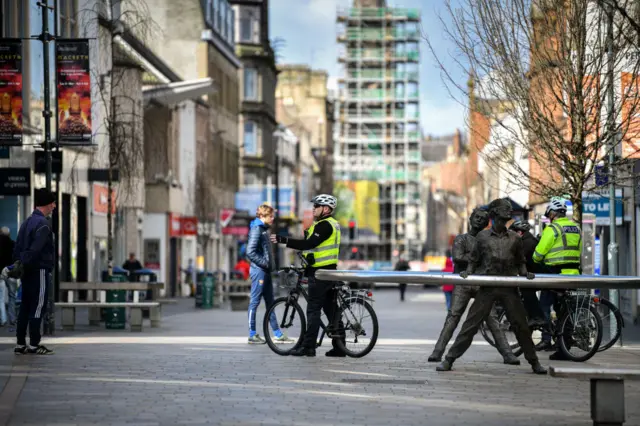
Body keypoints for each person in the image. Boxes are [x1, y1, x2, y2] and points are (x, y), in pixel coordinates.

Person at [436, 198, 547, 375]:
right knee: (470, 325)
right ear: (495, 213)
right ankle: (449, 359)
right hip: (487, 287)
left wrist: (525, 273)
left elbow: (520, 261)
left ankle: (534, 362)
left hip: (508, 287)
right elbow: (473, 259)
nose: (509, 210)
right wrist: (469, 273)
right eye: (505, 208)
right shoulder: (482, 237)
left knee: (521, 326)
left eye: (510, 208)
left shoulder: (514, 238)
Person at [428, 208, 520, 366]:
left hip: (481, 285)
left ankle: (507, 353)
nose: (479, 220)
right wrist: (479, 259)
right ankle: (437, 351)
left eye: (482, 218)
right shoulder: (461, 239)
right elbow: (458, 258)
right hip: (463, 283)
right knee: (453, 317)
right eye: (476, 217)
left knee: (492, 319)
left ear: (486, 222)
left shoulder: (487, 239)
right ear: (470, 219)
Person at [271, 194, 345, 357]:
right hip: (329, 272)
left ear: (326, 209)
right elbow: (312, 246)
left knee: (313, 310)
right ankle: (340, 347)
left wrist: (284, 239)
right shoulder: (332, 224)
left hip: (320, 274)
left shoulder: (324, 225)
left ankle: (308, 347)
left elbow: (309, 244)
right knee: (331, 310)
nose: (313, 208)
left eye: (317, 206)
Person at [532, 198, 582, 359]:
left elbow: (539, 254)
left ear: (552, 214)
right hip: (573, 274)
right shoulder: (576, 228)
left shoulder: (552, 229)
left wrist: (536, 259)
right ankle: (564, 347)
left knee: (544, 306)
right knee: (564, 311)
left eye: (549, 215)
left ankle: (546, 339)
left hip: (555, 274)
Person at [13, 188, 57, 355]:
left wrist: (18, 264)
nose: (53, 206)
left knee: (25, 306)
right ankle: (34, 343)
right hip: (39, 270)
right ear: (46, 203)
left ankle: (20, 343)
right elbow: (36, 249)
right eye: (52, 202)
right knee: (38, 306)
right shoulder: (43, 225)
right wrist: (28, 261)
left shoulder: (26, 222)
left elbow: (17, 247)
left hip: (26, 272)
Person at [246, 204, 286, 344]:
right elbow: (250, 251)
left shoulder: (263, 229)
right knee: (254, 302)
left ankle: (277, 334)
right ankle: (252, 334)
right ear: (262, 216)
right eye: (270, 216)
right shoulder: (257, 229)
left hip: (265, 271)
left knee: (270, 302)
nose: (273, 218)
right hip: (259, 271)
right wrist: (264, 263)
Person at [509, 220, 546, 328]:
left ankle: (537, 317)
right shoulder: (527, 241)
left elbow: (517, 260)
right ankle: (533, 317)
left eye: (512, 233)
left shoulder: (527, 243)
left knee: (526, 290)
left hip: (539, 275)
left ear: (520, 232)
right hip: (536, 274)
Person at [0, 227, 15, 326]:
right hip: (11, 272)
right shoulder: (13, 244)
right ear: (9, 234)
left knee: (0, 297)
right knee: (12, 296)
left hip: (0, 273)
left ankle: (3, 319)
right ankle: (12, 318)